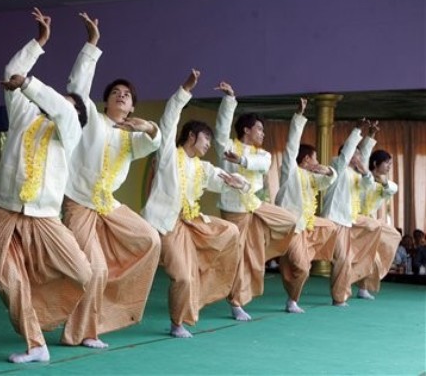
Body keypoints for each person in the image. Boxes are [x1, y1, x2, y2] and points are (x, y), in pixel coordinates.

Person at [0, 8, 94, 364]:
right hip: (6, 210)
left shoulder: (70, 132)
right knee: (7, 279)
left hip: (46, 217)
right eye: (63, 98)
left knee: (81, 272)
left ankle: (46, 310)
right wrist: (39, 43)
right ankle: (35, 344)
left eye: (71, 102)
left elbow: (62, 111)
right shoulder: (25, 116)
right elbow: (10, 74)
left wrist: (31, 85)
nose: (64, 102)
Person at [61, 18, 162, 349]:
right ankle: (84, 332)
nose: (122, 96)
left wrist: (147, 128)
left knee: (150, 239)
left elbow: (153, 144)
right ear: (106, 102)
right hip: (80, 202)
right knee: (95, 271)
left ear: (132, 106)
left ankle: (113, 293)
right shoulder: (92, 120)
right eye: (116, 93)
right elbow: (77, 87)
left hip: (109, 206)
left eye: (127, 95)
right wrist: (92, 44)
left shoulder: (132, 137)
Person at [142, 69, 247, 338]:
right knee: (183, 277)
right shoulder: (168, 155)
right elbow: (169, 118)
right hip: (167, 224)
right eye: (206, 139)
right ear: (191, 136)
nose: (208, 145)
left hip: (193, 225)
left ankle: (212, 292)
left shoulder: (202, 168)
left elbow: (223, 177)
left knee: (232, 232)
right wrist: (186, 89)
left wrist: (239, 183)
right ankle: (177, 322)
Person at [214, 81, 296, 321]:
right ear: (247, 130)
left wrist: (242, 161)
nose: (262, 133)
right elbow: (220, 132)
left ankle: (269, 251)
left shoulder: (263, 154)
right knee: (239, 258)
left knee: (289, 220)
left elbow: (262, 165)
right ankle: (236, 303)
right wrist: (229, 101)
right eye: (259, 129)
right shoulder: (227, 146)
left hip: (257, 208)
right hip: (235, 211)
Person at [274, 98, 338, 313]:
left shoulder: (312, 178)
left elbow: (329, 180)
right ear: (305, 159)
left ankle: (292, 296)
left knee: (331, 226)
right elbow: (292, 146)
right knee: (302, 268)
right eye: (314, 158)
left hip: (304, 227)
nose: (316, 161)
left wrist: (327, 170)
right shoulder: (291, 172)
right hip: (290, 227)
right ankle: (292, 300)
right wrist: (299, 117)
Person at [320, 120, 382, 306]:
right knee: (341, 260)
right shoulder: (337, 167)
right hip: (333, 220)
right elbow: (347, 154)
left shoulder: (357, 175)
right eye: (354, 154)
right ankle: (338, 298)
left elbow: (368, 183)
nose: (358, 157)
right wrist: (357, 131)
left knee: (344, 260)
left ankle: (342, 295)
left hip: (346, 223)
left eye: (358, 155)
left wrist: (370, 137)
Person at [356, 144, 402, 297]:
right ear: (375, 163)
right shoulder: (362, 178)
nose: (389, 166)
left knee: (393, 236)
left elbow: (392, 189)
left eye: (390, 163)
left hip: (370, 223)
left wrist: (383, 181)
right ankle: (350, 286)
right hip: (356, 221)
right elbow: (364, 185)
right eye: (386, 163)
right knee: (359, 257)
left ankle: (363, 288)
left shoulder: (385, 184)